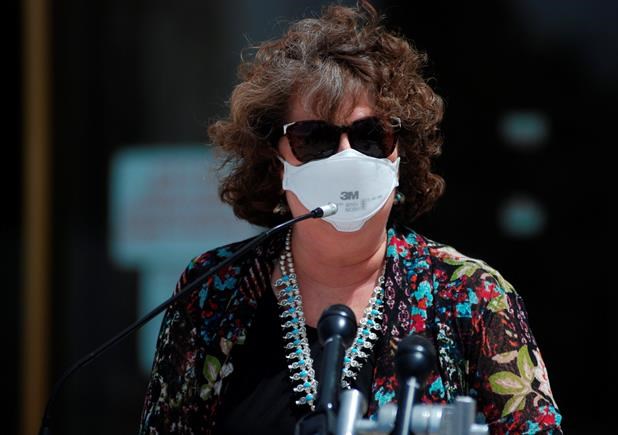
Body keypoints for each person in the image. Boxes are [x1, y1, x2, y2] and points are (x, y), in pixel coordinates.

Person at [139, 1, 562, 433]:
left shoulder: (472, 296)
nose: (346, 156)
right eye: (314, 138)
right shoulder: (212, 292)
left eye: (370, 135)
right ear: (275, 161)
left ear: (401, 154)